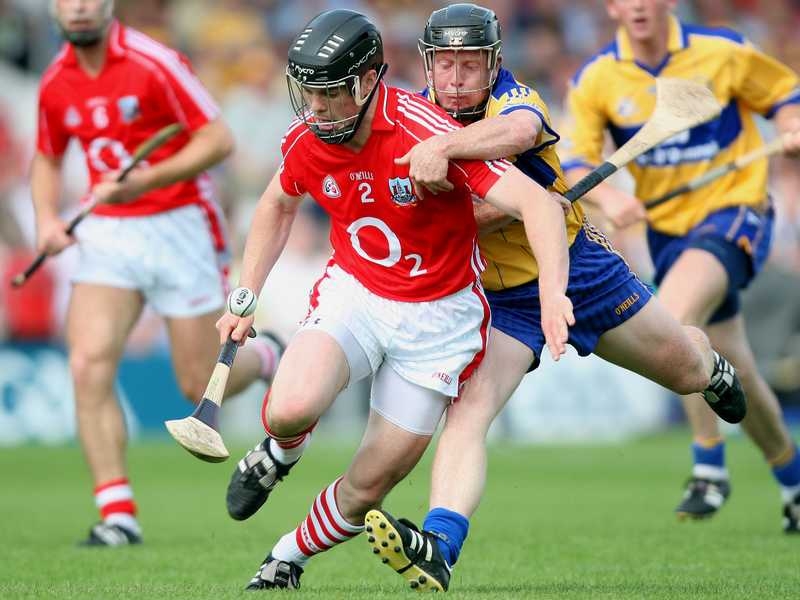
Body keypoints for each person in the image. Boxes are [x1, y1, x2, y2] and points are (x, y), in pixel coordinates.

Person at [360, 4, 751, 591]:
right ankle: (441, 544)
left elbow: (518, 135)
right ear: (428, 65)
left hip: (577, 271)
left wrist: (448, 151)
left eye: (472, 64)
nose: (459, 78)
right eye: (447, 65)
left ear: (494, 63)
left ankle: (711, 364)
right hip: (498, 300)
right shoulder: (411, 119)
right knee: (466, 414)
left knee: (687, 369)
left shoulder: (517, 103)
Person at [216, 8, 579, 590]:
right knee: (290, 407)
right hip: (356, 294)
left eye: (327, 94)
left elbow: (536, 204)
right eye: (306, 93)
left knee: (368, 486)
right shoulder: (308, 137)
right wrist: (245, 295)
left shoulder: (429, 131)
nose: (313, 108)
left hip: (439, 321)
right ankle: (280, 453)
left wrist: (553, 294)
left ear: (365, 83)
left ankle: (287, 556)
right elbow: (276, 204)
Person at [32, 0, 282, 546]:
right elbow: (47, 156)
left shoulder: (154, 62)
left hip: (180, 225)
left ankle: (267, 356)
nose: (78, 7)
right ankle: (117, 514)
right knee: (86, 363)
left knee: (195, 381)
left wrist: (143, 183)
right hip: (109, 233)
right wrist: (48, 218)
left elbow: (218, 140)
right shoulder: (55, 82)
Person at [560, 0, 800, 526]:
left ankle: (708, 465)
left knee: (673, 322)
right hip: (668, 233)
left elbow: (785, 95)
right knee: (733, 366)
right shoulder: (597, 78)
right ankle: (794, 481)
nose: (640, 4)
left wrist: (792, 123)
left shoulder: (722, 52)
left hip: (735, 211)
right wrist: (609, 199)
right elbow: (575, 157)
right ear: (612, 6)